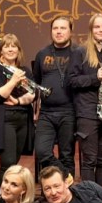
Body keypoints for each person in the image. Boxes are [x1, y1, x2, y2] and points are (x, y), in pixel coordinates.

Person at [67, 13, 102, 188]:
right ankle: (89, 198)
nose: (101, 30)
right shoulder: (80, 52)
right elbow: (71, 81)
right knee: (89, 160)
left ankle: (101, 197)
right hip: (87, 112)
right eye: (97, 27)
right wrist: (95, 77)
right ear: (91, 30)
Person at [32, 16, 79, 179]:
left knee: (67, 154)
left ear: (70, 31)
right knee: (42, 152)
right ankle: (64, 179)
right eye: (55, 28)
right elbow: (37, 82)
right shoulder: (42, 54)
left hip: (69, 111)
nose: (59, 32)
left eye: (63, 28)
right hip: (46, 112)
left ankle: (65, 191)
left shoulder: (78, 53)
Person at [0, 33, 36, 183]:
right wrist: (13, 80)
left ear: (18, 50)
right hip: (5, 120)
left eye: (14, 46)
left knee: (14, 164)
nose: (10, 49)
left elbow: (32, 94)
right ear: (1, 50)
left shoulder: (25, 70)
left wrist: (18, 101)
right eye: (6, 46)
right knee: (7, 164)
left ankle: (10, 194)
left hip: (23, 118)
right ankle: (2, 195)